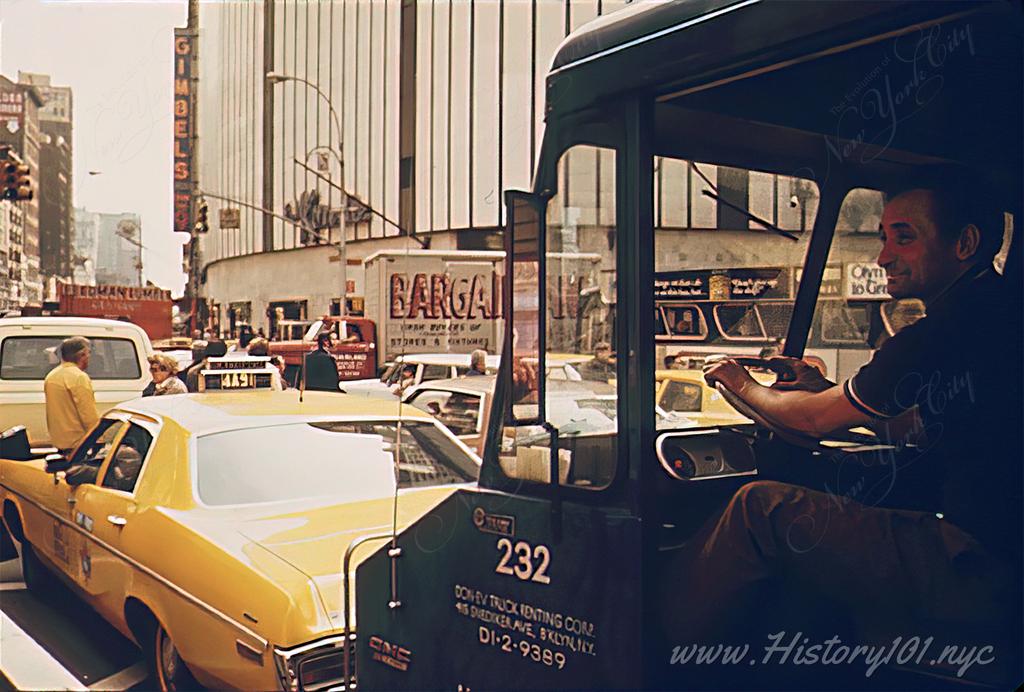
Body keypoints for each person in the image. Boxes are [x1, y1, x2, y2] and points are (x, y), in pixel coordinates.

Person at [667, 173, 1021, 673]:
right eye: (883, 238)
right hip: (997, 550)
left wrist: (739, 382)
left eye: (905, 236)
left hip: (975, 564)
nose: (883, 257)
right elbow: (911, 427)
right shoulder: (1000, 312)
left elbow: (812, 424)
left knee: (757, 507)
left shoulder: (942, 330)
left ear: (965, 243)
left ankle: (655, 664)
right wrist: (823, 390)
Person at [43, 337, 100, 456]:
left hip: (60, 442)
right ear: (82, 354)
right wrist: (99, 439)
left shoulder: (52, 376)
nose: (89, 357)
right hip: (78, 444)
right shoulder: (78, 377)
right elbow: (87, 414)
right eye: (88, 353)